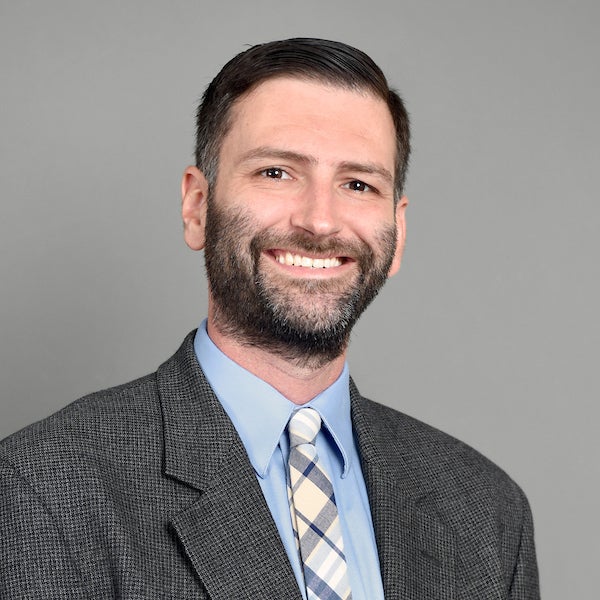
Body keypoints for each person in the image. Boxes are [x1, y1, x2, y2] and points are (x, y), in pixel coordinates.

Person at [0, 38, 539, 599]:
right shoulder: (42, 491)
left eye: (358, 184)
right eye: (277, 172)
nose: (320, 222)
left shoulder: (487, 512)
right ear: (196, 206)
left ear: (397, 233)